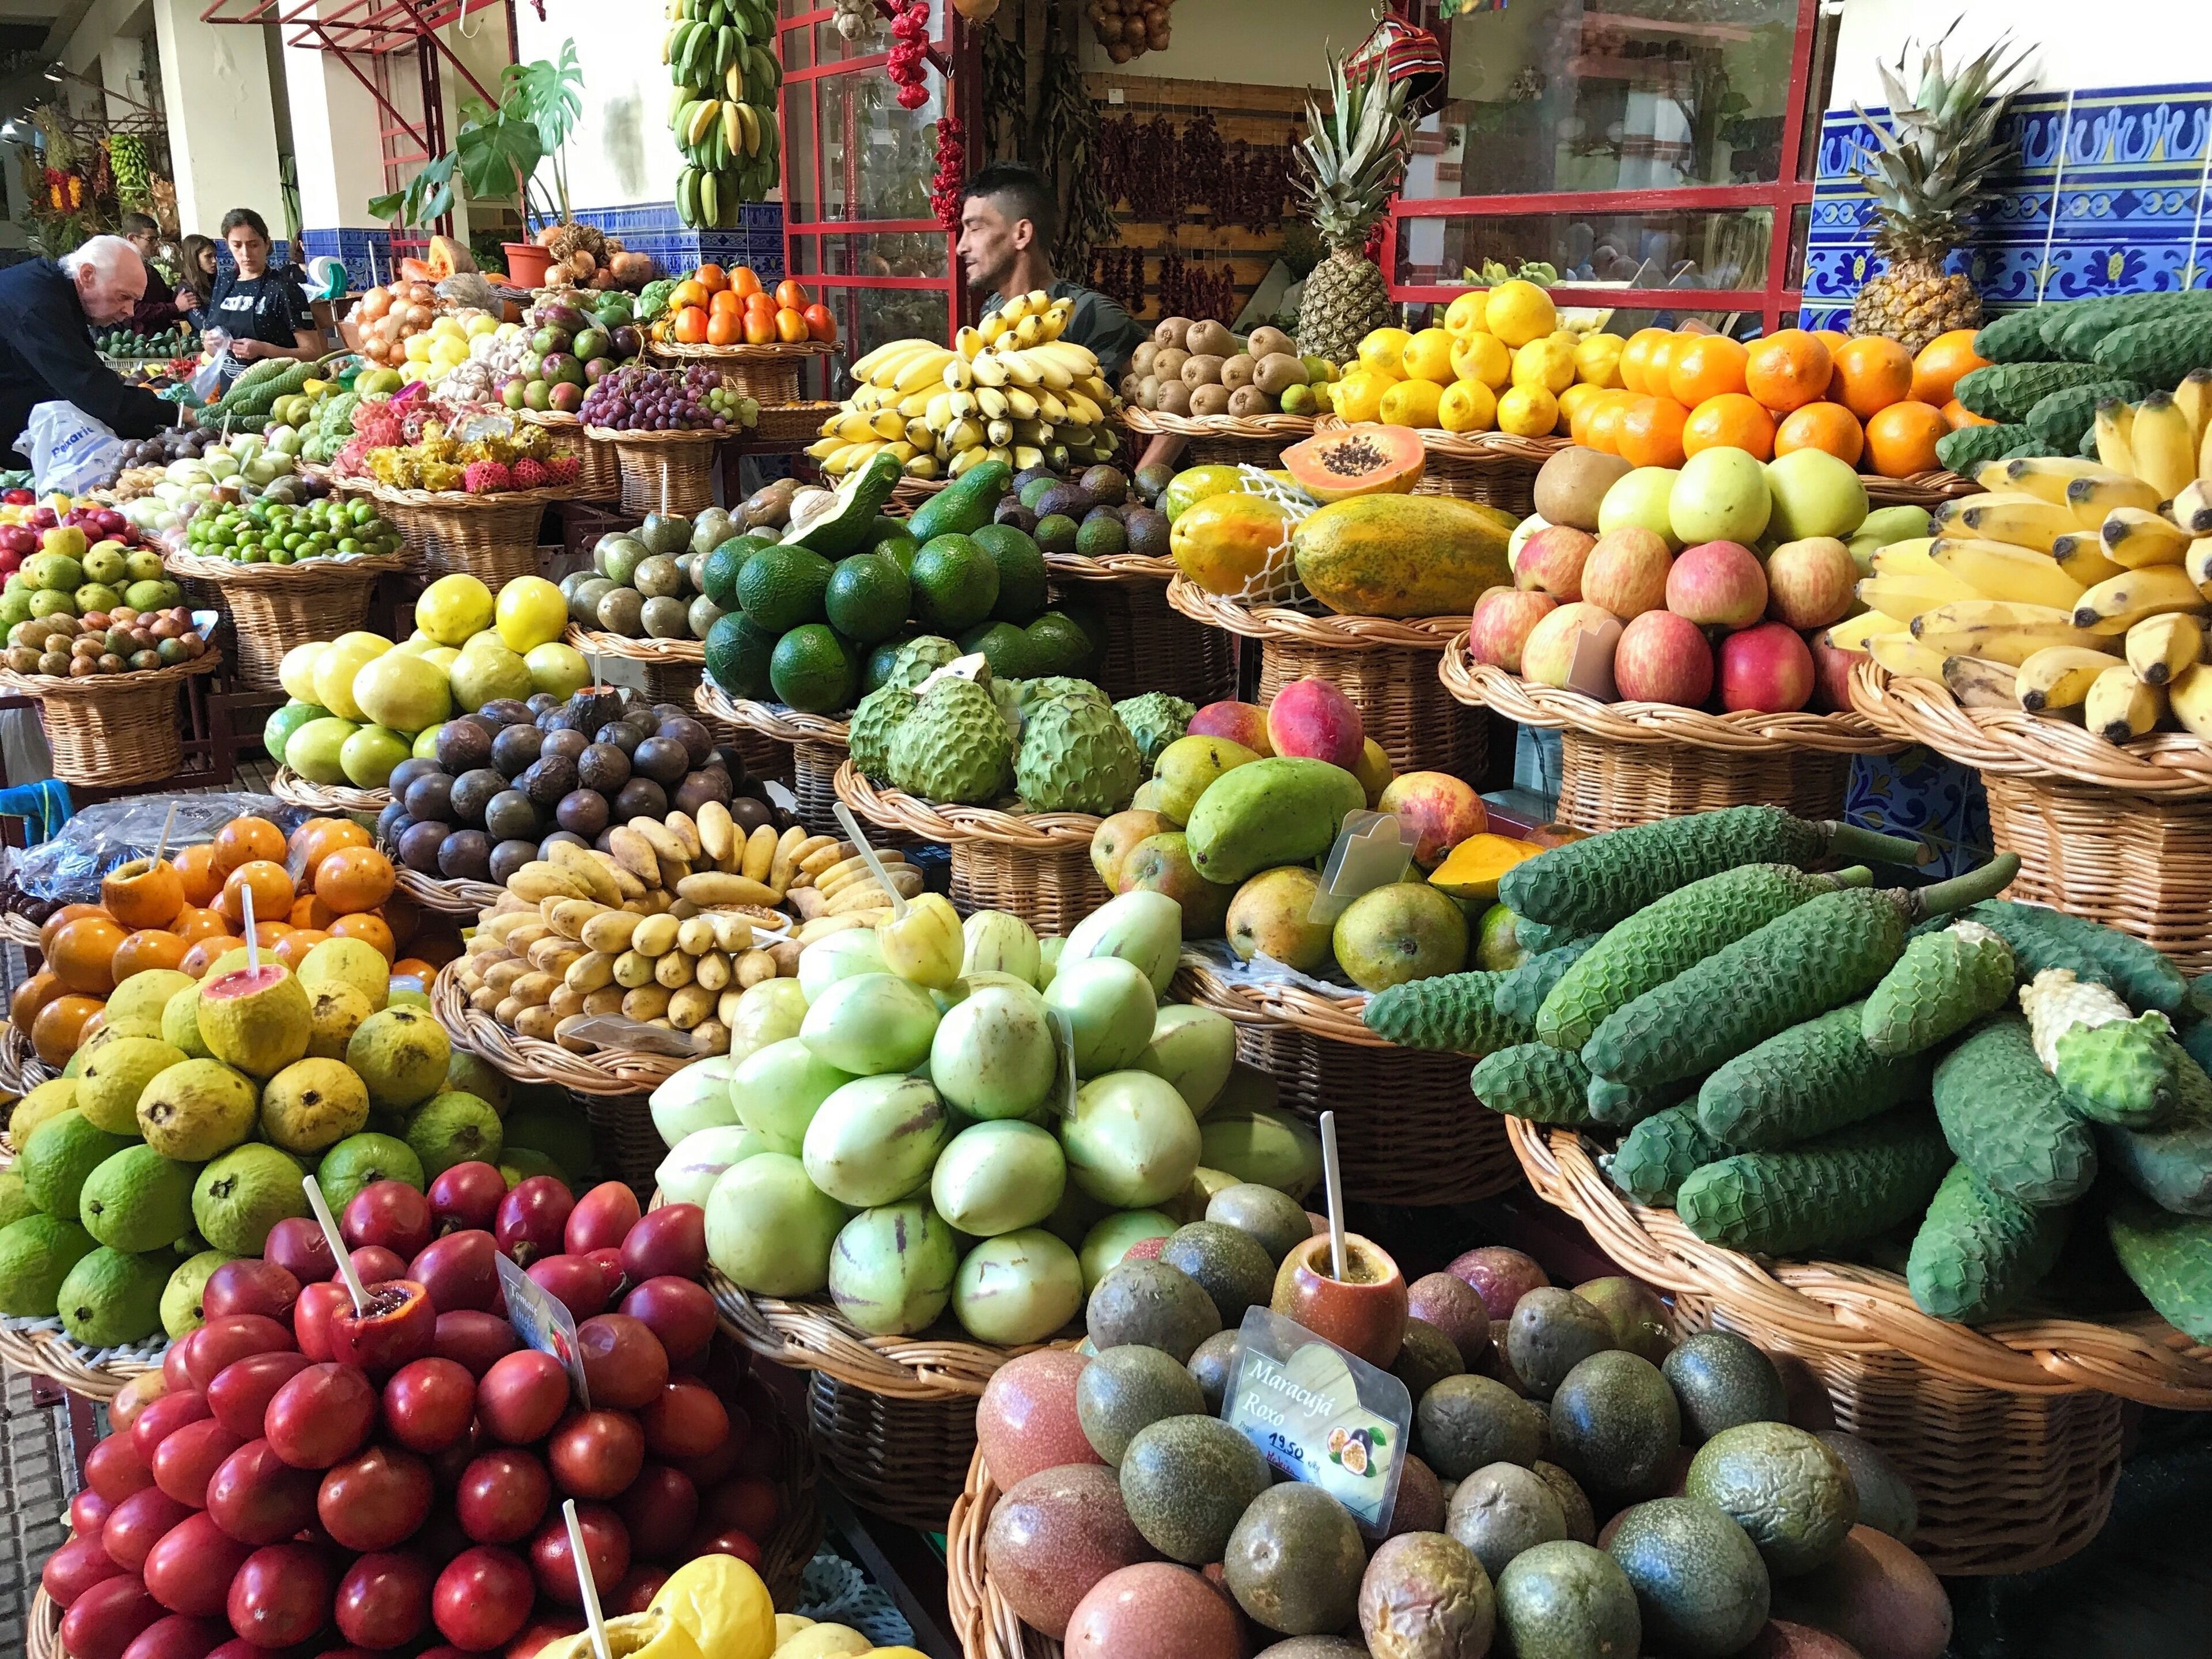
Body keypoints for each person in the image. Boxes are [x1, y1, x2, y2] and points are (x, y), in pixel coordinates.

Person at [0, 235, 179, 469]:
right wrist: (175, 413)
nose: (130, 311)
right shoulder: (37, 305)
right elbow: (91, 391)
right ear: (87, 275)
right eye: (123, 297)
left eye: (134, 301)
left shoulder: (50, 289)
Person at [959, 162, 1142, 383]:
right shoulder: (992, 310)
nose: (961, 247)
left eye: (976, 228)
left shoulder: (1092, 315)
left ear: (1022, 234)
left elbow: (1144, 402)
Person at [200, 208, 324, 385]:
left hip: (275, 396)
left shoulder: (284, 288)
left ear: (267, 244)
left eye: (253, 245)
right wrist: (211, 344)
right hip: (230, 395)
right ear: (227, 244)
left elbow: (313, 353)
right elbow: (212, 350)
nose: (245, 253)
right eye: (237, 245)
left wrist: (264, 349)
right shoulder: (224, 283)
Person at [119, 211, 181, 334]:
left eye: (157, 239)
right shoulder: (124, 271)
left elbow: (165, 297)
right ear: (132, 239)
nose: (157, 244)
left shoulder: (150, 269)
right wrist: (175, 307)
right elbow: (134, 309)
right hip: (141, 344)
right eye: (151, 240)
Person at [177, 234, 219, 330]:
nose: (214, 261)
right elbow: (203, 326)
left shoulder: (214, 281)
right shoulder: (186, 291)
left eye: (215, 256)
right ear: (194, 259)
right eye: (208, 257)